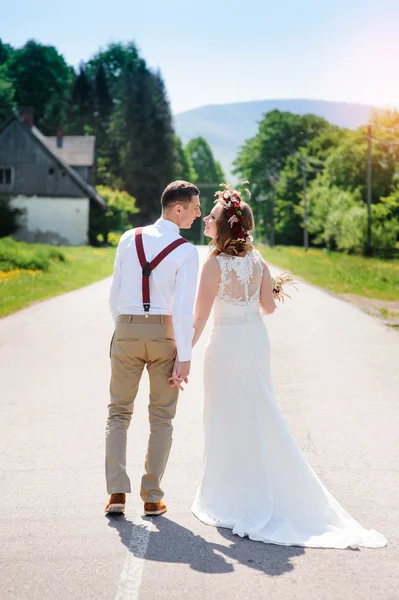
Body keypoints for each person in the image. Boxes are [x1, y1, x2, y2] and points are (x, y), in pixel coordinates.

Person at [189, 182, 386, 549]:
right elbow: (268, 308)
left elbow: (199, 319)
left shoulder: (213, 265)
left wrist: (182, 355)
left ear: (226, 226)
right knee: (259, 410)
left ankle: (230, 493)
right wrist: (265, 290)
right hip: (254, 340)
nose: (207, 223)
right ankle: (263, 484)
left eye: (212, 218)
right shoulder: (258, 260)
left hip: (227, 344)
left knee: (224, 414)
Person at [105, 180, 201, 516]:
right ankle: (151, 497)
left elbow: (114, 295)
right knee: (161, 418)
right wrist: (184, 356)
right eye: (194, 208)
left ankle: (116, 494)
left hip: (127, 329)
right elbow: (183, 310)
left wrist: (124, 328)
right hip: (163, 334)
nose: (199, 214)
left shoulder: (128, 238)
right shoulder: (187, 252)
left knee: (118, 413)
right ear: (178, 209)